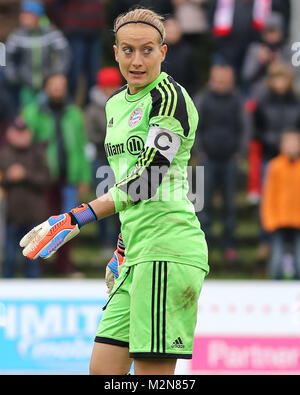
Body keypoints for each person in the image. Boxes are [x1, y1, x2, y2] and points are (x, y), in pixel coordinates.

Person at [19, 7, 209, 375]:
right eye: (127, 50)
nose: (136, 60)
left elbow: (147, 179)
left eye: (147, 50)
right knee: (102, 370)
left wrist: (78, 215)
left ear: (163, 52)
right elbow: (123, 180)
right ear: (115, 50)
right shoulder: (114, 105)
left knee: (151, 376)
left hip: (167, 250)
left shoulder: (169, 98)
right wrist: (122, 246)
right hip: (134, 252)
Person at [22, 73, 92, 275]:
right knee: (40, 222)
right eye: (54, 85)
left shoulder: (74, 114)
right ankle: (37, 266)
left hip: (67, 176)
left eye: (62, 85)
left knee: (68, 223)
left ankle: (64, 266)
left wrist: (84, 177)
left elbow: (81, 146)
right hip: (42, 178)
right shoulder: (33, 113)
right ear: (46, 88)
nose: (58, 89)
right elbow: (27, 143)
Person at [194, 64, 244, 261]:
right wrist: (200, 153)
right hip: (208, 159)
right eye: (218, 80)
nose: (222, 84)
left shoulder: (237, 100)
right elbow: (195, 127)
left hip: (230, 159)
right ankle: (203, 245)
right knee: (202, 205)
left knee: (230, 206)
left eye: (225, 81)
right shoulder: (203, 99)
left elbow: (244, 127)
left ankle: (228, 245)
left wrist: (239, 153)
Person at [0, 117, 49, 278]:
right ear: (10, 134)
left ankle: (35, 295)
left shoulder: (37, 153)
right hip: (10, 216)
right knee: (10, 259)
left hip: (34, 217)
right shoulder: (3, 154)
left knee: (33, 260)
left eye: (24, 132)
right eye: (17, 132)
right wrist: (8, 177)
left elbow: (47, 179)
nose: (21, 136)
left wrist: (25, 175)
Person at [4, 0, 70, 111]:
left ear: (37, 16)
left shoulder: (50, 32)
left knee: (45, 112)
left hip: (45, 85)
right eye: (23, 14)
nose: (23, 17)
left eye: (27, 14)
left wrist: (57, 72)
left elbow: (64, 51)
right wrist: (13, 76)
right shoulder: (18, 35)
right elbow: (7, 56)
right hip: (25, 85)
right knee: (27, 112)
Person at [85, 66, 123, 251]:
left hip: (120, 160)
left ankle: (119, 241)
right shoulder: (93, 109)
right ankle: (104, 240)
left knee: (121, 200)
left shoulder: (124, 105)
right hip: (101, 159)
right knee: (103, 199)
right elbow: (91, 134)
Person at [260, 130, 300, 280]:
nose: (292, 147)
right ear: (282, 146)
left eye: (295, 144)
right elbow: (269, 195)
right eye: (288, 144)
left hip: (297, 220)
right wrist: (269, 219)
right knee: (276, 261)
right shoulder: (275, 166)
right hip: (279, 220)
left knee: (299, 262)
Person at [242, 12, 292, 97]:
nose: (270, 36)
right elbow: (246, 76)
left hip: (283, 95)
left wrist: (280, 64)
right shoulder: (255, 49)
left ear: (281, 32)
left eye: (273, 31)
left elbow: (293, 76)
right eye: (267, 32)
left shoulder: (288, 49)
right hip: (260, 95)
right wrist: (260, 62)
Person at [162, 17, 197, 96]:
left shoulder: (188, 52)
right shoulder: (158, 52)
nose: (172, 33)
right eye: (169, 31)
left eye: (174, 30)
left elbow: (192, 79)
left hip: (183, 94)